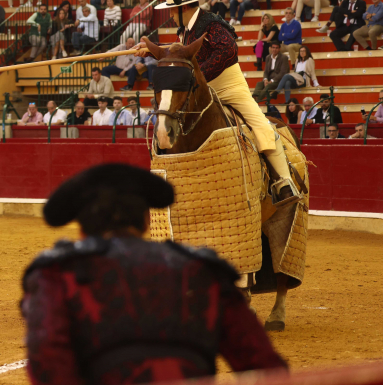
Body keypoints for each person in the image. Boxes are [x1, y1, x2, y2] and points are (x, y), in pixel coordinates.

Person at [21, 163, 288, 385]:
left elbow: (48, 356)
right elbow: (263, 365)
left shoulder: (57, 274)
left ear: (81, 227)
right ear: (147, 219)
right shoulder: (201, 272)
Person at [140, 0, 299, 206]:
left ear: (183, 7)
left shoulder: (211, 23)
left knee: (260, 123)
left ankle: (284, 182)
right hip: (199, 88)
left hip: (228, 85)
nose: (170, 14)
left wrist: (198, 75)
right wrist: (149, 49)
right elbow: (179, 53)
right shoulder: (185, 29)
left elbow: (227, 50)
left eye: (172, 10)